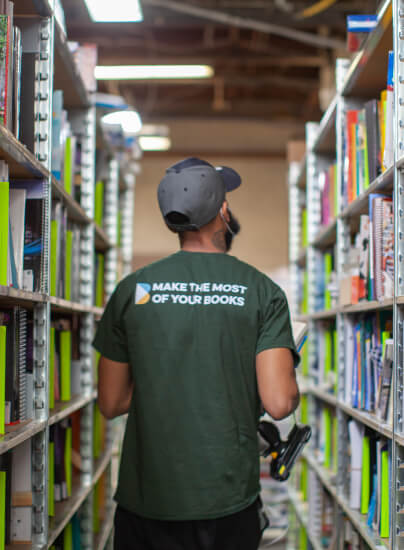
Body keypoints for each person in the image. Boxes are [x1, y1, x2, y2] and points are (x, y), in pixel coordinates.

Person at [93, 157, 300, 550]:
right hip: (226, 503)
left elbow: (111, 401)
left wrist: (171, 379)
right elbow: (278, 402)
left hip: (146, 502)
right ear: (222, 211)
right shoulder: (261, 291)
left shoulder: (131, 290)